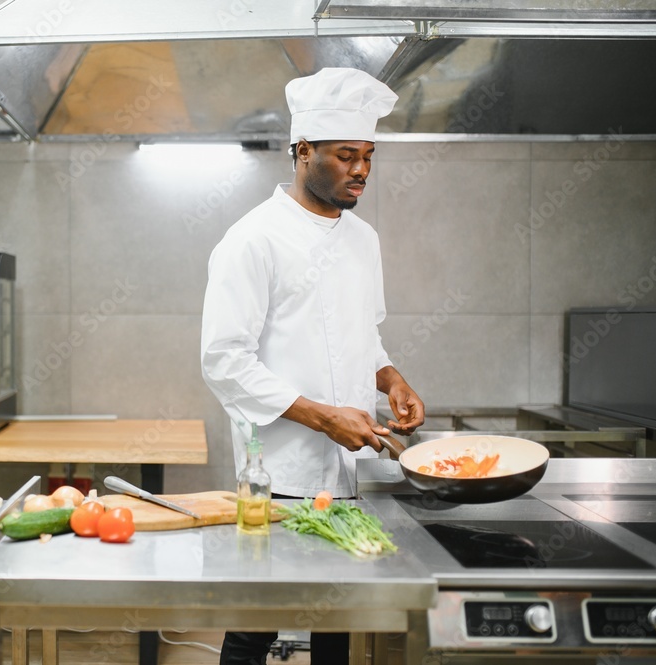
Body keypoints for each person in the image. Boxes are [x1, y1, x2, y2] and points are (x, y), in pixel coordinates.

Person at [199, 68, 426, 665]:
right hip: (278, 473)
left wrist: (390, 378)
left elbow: (362, 334)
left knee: (337, 621)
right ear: (303, 151)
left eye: (368, 156)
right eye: (346, 155)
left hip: (351, 469)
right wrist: (325, 418)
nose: (361, 170)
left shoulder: (364, 239)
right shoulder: (253, 240)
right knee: (256, 625)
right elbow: (223, 361)